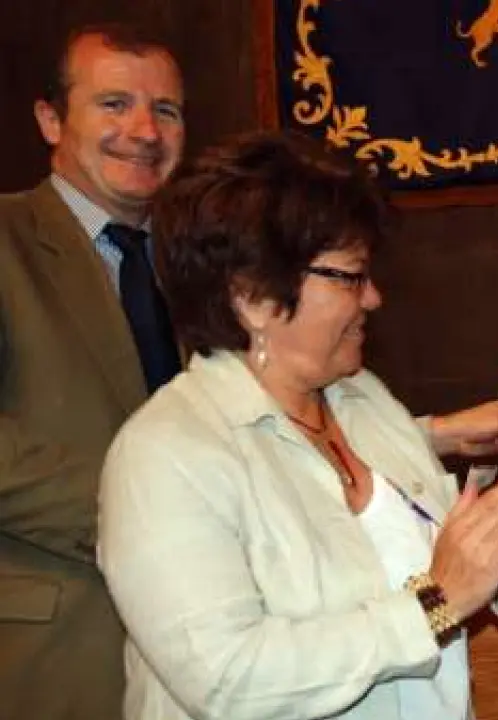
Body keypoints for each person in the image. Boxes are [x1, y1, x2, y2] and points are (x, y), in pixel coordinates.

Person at [96, 130, 498, 720]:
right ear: (253, 297)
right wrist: (437, 603)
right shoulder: (164, 455)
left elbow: (441, 573)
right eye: (351, 276)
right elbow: (229, 680)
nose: (373, 298)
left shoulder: (364, 401)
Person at [0, 23, 184, 719]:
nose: (145, 131)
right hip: (55, 660)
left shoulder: (205, 265)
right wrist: (151, 515)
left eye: (165, 110)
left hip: (208, 659)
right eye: (114, 104)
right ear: (51, 120)